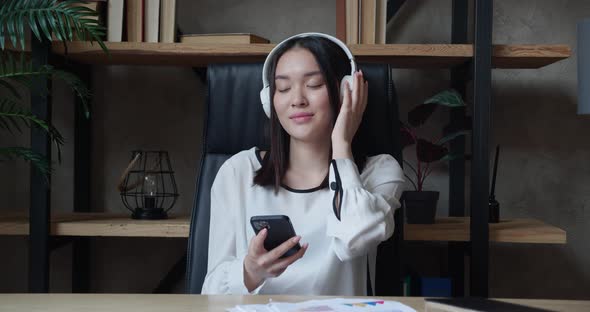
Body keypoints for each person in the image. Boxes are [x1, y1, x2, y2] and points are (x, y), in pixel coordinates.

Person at [201, 33, 404, 295]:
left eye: (315, 84)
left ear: (345, 92)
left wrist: (341, 144)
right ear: (269, 101)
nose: (297, 99)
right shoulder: (237, 172)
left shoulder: (379, 171)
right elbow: (210, 293)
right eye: (283, 88)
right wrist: (249, 272)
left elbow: (354, 240)